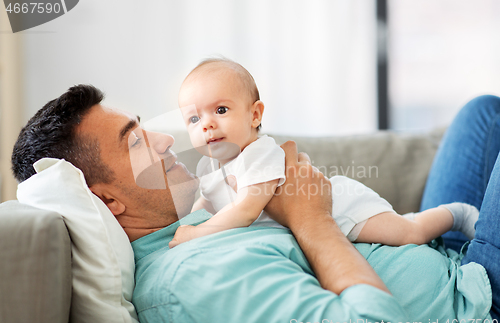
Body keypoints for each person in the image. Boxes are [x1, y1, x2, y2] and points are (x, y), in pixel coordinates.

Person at [11, 85, 499, 323]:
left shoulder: (193, 220)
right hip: (474, 306)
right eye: (136, 142)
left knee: (482, 115)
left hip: (449, 259)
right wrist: (313, 220)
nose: (163, 140)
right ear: (109, 201)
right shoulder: (191, 283)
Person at [170, 58, 478, 248]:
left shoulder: (257, 153)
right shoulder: (208, 166)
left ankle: (457, 214)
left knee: (410, 231)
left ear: (254, 115)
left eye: (220, 110)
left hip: (341, 209)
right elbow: (205, 204)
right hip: (314, 223)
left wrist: (197, 235)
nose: (207, 124)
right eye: (195, 119)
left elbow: (247, 210)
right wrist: (185, 226)